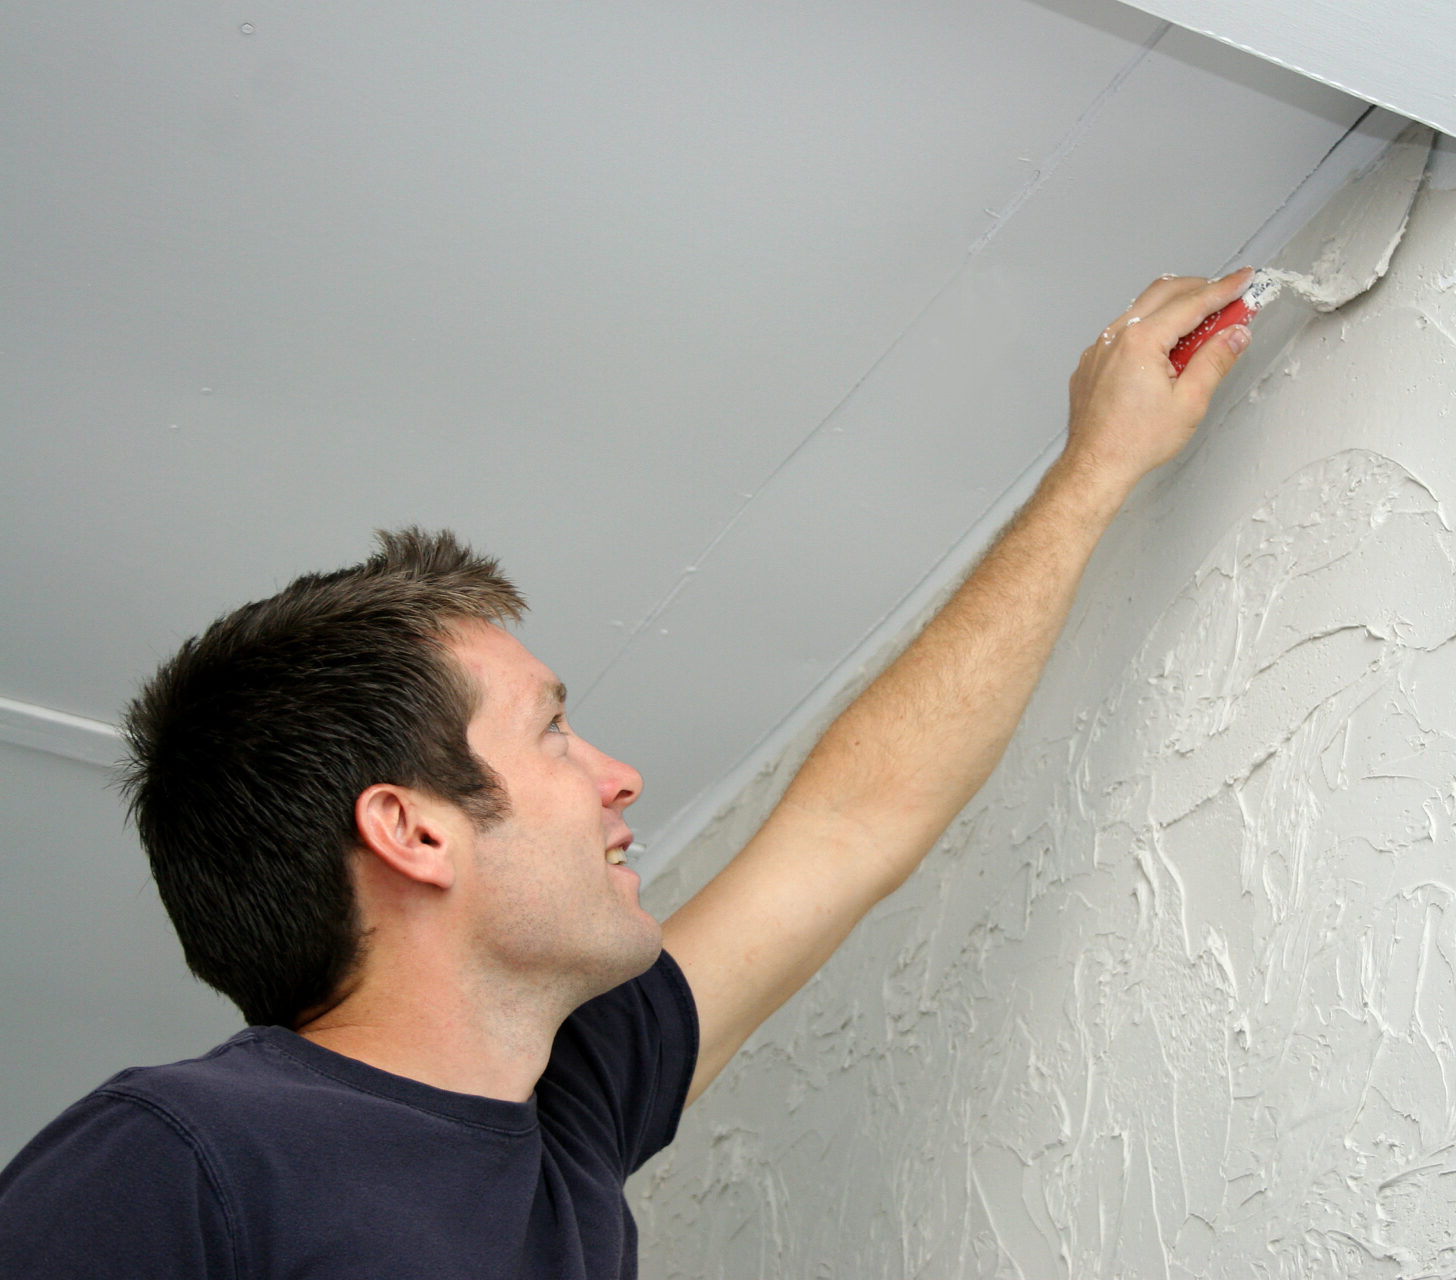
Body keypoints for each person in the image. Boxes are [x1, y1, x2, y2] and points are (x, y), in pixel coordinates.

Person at [0, 271, 1254, 1277]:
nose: (620, 775)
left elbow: (850, 826)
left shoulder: (571, 1111)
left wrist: (1093, 475)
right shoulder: (181, 1159)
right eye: (552, 729)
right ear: (413, 831)